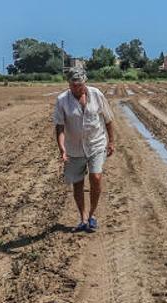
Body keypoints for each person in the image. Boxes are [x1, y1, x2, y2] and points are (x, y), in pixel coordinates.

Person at [53, 67, 114, 233]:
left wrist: (111, 142)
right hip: (74, 148)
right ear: (68, 84)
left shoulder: (96, 94)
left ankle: (92, 215)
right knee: (78, 184)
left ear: (84, 82)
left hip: (96, 143)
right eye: (73, 85)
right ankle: (83, 218)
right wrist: (62, 149)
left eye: (79, 85)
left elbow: (108, 119)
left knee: (96, 177)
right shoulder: (62, 100)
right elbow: (59, 127)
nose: (76, 88)